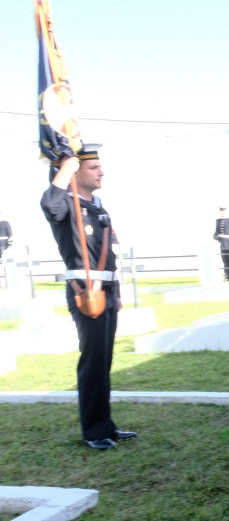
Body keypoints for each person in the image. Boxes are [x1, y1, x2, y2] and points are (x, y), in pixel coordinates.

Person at [39, 144, 136, 450]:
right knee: (93, 362)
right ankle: (94, 432)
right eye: (93, 168)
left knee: (104, 361)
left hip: (106, 291)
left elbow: (111, 253)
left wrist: (116, 291)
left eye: (99, 167)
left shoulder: (98, 206)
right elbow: (49, 206)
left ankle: (106, 425)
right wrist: (63, 169)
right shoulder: (66, 204)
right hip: (85, 293)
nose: (101, 172)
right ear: (75, 172)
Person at [213, 206, 229, 281]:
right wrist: (216, 238)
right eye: (221, 211)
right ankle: (226, 275)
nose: (222, 212)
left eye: (223, 211)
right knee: (224, 261)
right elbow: (216, 233)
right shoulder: (218, 221)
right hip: (222, 243)